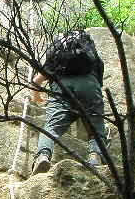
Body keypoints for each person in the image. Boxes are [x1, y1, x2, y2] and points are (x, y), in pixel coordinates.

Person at [29, 28, 107, 176]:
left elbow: (36, 81)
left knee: (51, 127)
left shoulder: (57, 57)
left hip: (61, 87)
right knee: (96, 129)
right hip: (89, 84)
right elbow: (98, 79)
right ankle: (95, 156)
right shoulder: (90, 55)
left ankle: (43, 156)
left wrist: (36, 98)